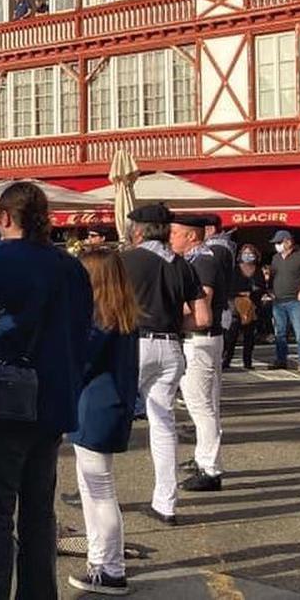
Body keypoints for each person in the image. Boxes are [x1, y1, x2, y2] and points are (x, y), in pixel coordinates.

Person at [0, 181, 92, 600]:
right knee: (38, 512)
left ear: (5, 218)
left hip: (2, 400)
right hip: (52, 402)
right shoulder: (70, 266)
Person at [119, 203, 201, 526]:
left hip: (133, 342)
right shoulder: (182, 265)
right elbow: (201, 317)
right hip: (170, 347)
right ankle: (165, 502)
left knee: (108, 413)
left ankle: (97, 494)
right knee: (162, 423)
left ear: (138, 230)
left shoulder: (125, 260)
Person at [67, 248, 140, 596]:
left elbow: (79, 363)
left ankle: (109, 567)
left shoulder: (99, 317)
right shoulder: (121, 314)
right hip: (110, 406)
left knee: (98, 490)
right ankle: (102, 562)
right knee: (96, 488)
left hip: (95, 408)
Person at [169, 213, 226, 493]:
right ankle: (205, 457)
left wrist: (167, 314)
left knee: (200, 405)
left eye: (175, 233)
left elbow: (202, 304)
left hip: (199, 338)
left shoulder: (203, 261)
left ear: (191, 236)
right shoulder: (197, 260)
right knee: (207, 405)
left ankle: (210, 468)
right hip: (203, 338)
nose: (171, 238)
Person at [268, 230, 300, 373]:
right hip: (278, 301)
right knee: (280, 333)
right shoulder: (275, 258)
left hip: (295, 301)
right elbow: (272, 277)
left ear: (288, 242)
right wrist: (270, 291)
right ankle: (281, 359)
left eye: (279, 242)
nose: (277, 245)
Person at [224, 244, 265, 370]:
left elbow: (262, 287)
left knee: (249, 337)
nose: (248, 255)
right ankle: (226, 360)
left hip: (252, 306)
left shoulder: (258, 271)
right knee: (231, 335)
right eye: (245, 253)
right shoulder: (234, 269)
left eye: (250, 253)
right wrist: (240, 293)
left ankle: (247, 362)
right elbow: (228, 287)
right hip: (235, 305)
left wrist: (252, 293)